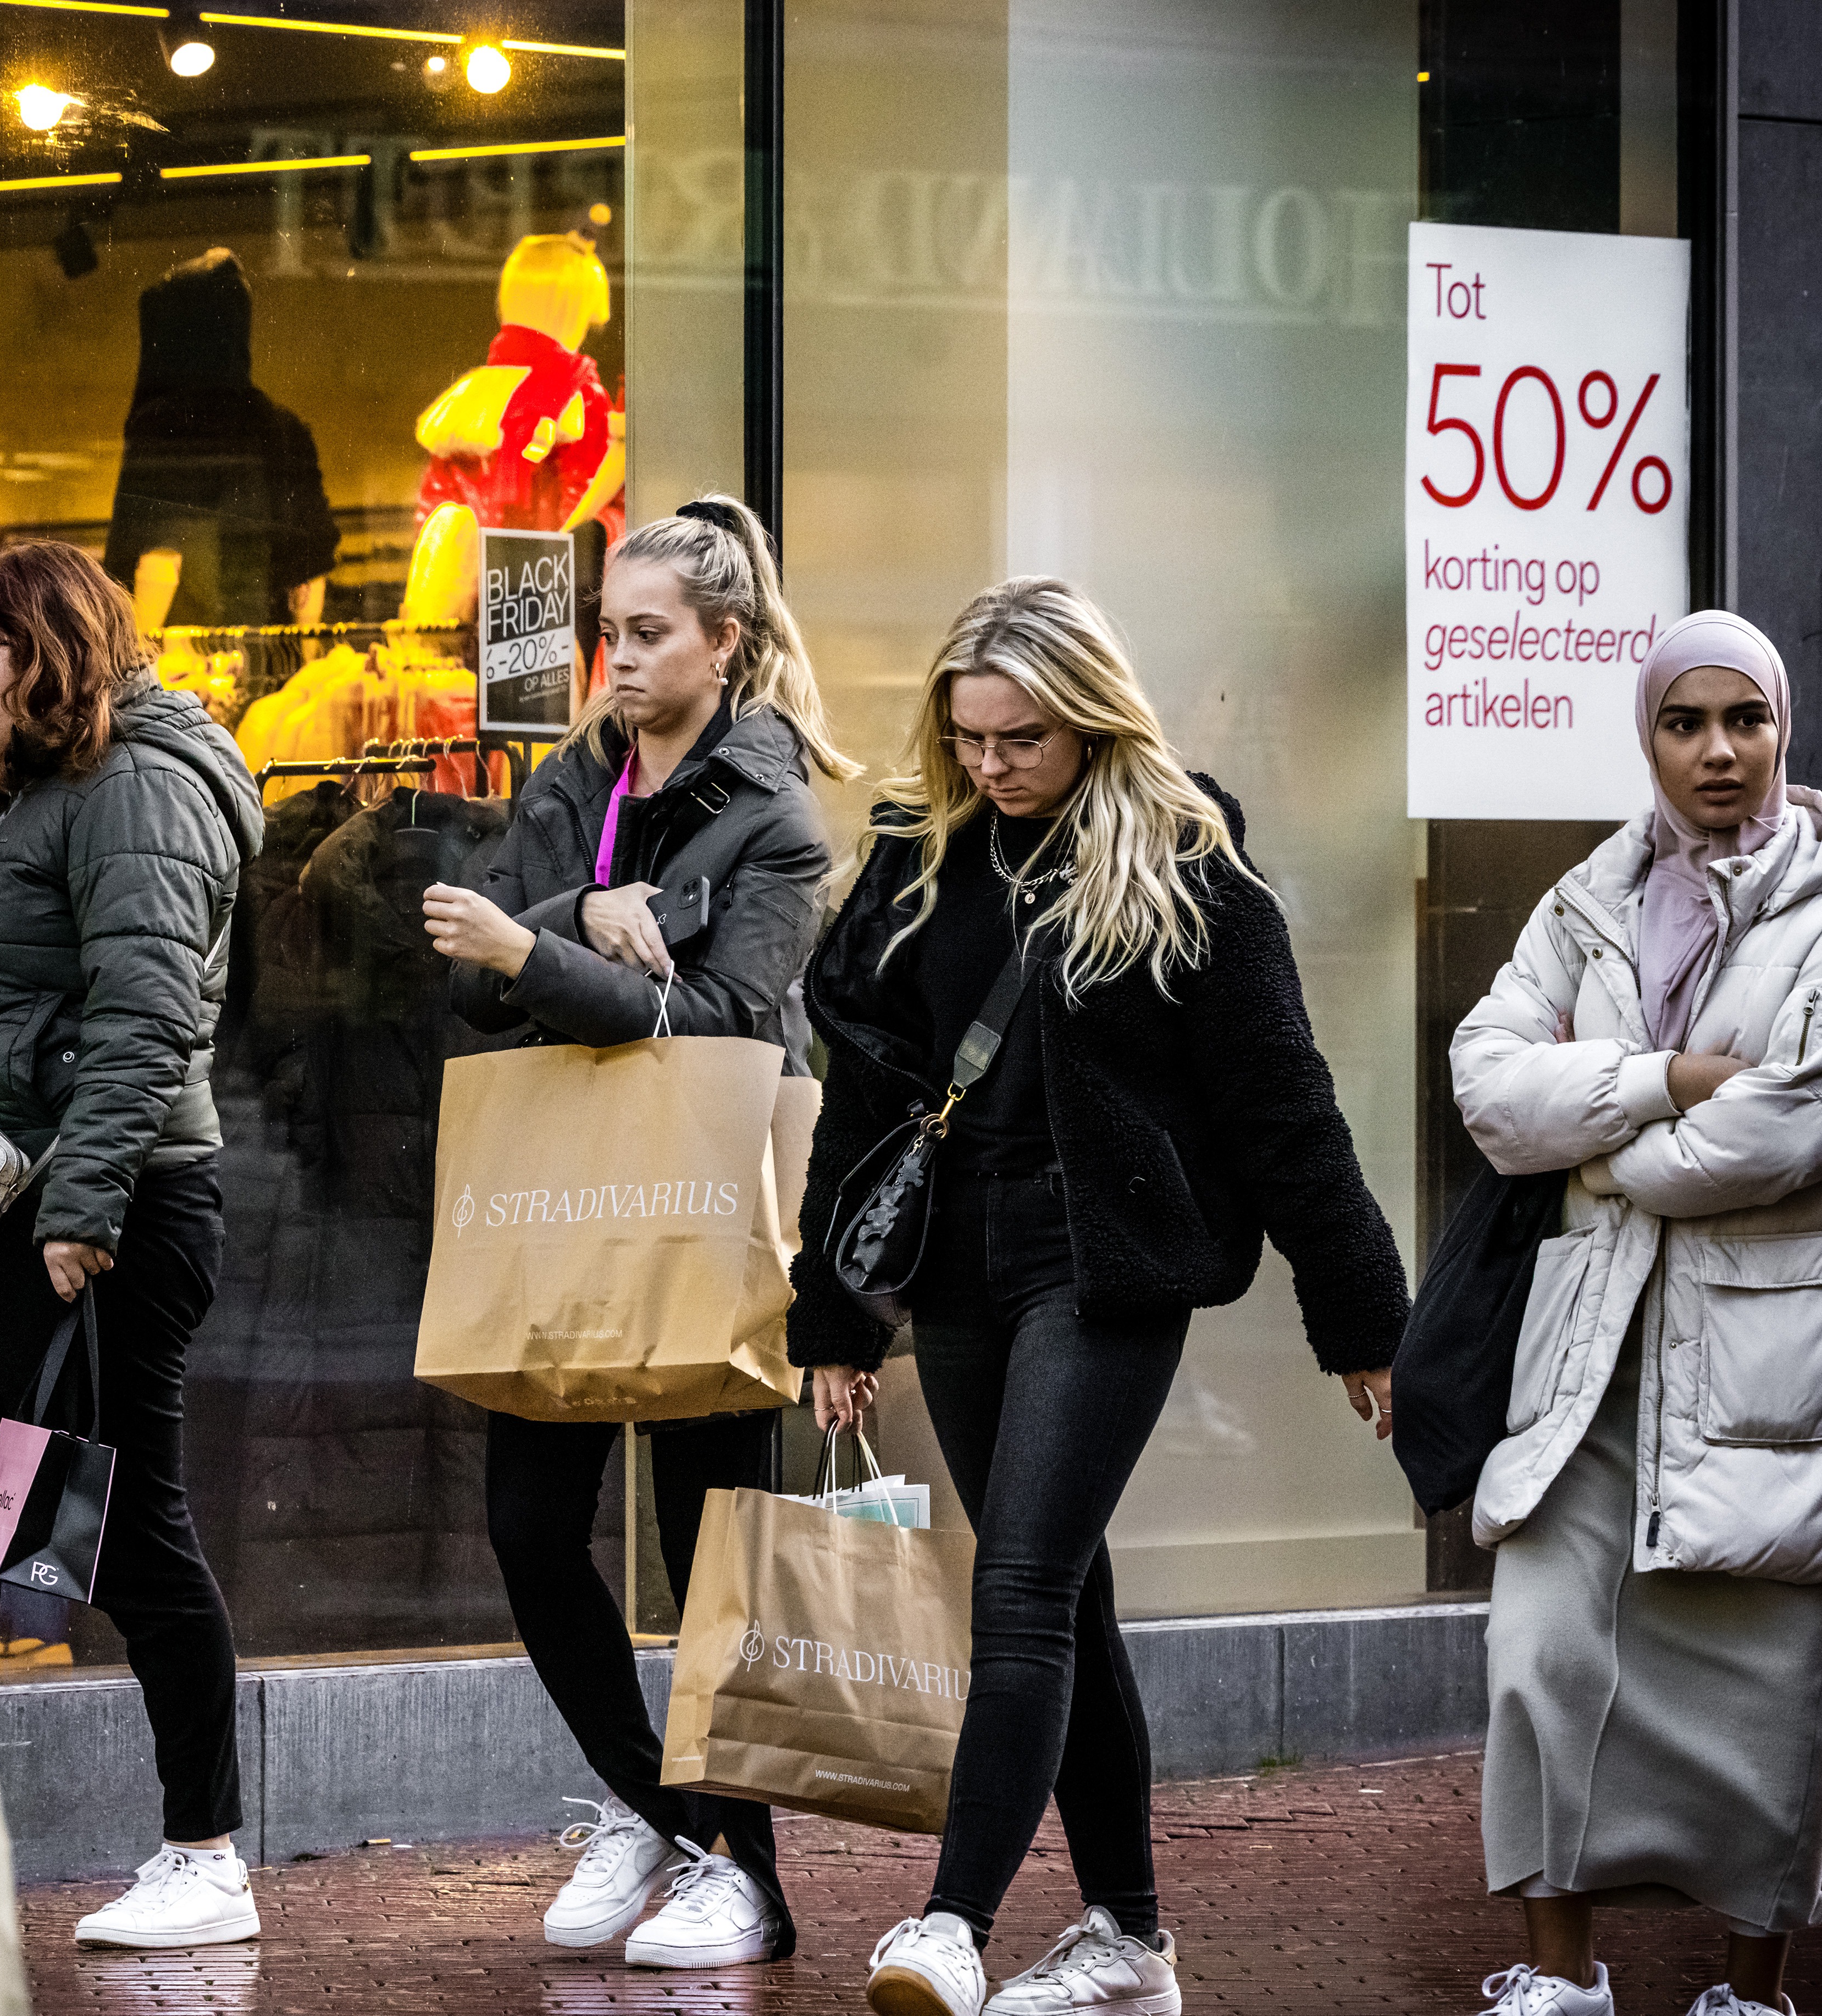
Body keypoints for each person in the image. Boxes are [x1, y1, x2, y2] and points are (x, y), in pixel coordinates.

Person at [800, 577, 1406, 2016]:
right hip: (953, 1271)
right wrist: (828, 1314)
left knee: (1015, 1586)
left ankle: (947, 1920)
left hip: (1101, 1270)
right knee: (1067, 1597)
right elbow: (857, 1107)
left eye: (1020, 739)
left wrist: (1361, 1313)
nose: (992, 767)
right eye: (969, 739)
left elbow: (1284, 1109)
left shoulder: (1186, 860)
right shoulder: (916, 857)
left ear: (1085, 717)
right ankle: (1128, 1939)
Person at [419, 494, 851, 1970]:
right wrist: (577, 913)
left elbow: (729, 1014)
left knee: (712, 1540)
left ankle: (750, 1873)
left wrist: (533, 944)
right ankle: (655, 1803)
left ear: (723, 645)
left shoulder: (771, 811)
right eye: (607, 628)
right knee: (531, 1530)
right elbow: (467, 974)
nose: (614, 654)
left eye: (647, 632)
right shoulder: (571, 776)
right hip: (564, 1186)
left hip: (701, 1192)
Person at [0, 538, 268, 1949]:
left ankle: (205, 1852)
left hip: (109, 1211)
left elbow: (146, 1021)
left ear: (39, 655)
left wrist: (82, 1219)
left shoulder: (139, 787)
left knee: (113, 1536)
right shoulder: (18, 788)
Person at [1451, 611, 1822, 2016]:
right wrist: (1666, 1079)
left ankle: (1747, 1983)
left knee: (1760, 1685)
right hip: (1584, 1358)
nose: (1716, 751)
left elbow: (1781, 1130)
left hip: (1756, 1361)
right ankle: (1558, 1976)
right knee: (1536, 1655)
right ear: (1647, 738)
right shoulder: (1588, 898)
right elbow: (1487, 1081)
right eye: (1684, 722)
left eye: (1744, 720)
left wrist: (1588, 1136)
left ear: (1781, 730)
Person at [103, 247, 337, 634]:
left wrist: (129, 667)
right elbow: (308, 575)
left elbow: (155, 561)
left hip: (176, 668)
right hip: (259, 663)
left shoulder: (161, 430)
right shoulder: (280, 430)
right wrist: (306, 669)